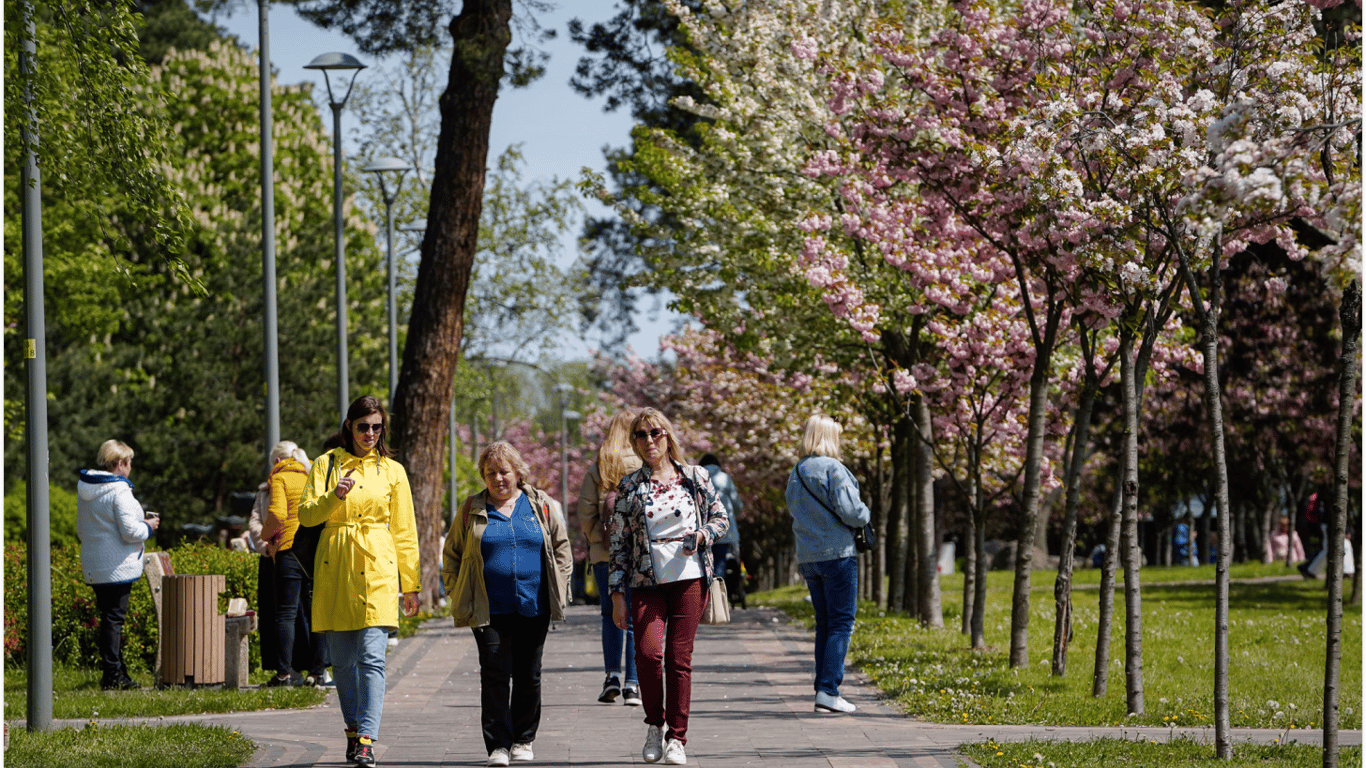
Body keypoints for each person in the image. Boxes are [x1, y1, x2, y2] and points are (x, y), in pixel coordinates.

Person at [299, 396, 421, 768]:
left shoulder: (392, 470)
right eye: (363, 426)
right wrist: (334, 497)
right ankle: (352, 729)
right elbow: (305, 516)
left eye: (376, 427)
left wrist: (410, 582)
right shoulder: (326, 463)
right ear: (349, 426)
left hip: (378, 565)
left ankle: (367, 738)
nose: (370, 433)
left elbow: (404, 530)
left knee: (372, 658)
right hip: (335, 563)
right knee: (342, 662)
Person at [608, 408, 728, 766]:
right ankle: (653, 723)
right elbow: (617, 546)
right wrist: (616, 596)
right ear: (634, 442)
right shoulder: (629, 487)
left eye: (655, 433)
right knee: (646, 655)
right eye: (641, 435)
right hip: (646, 581)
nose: (649, 441)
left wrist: (703, 535)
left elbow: (721, 519)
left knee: (679, 659)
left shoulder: (695, 478)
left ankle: (677, 738)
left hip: (689, 579)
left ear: (668, 435)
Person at [443, 441, 573, 767]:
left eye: (504, 471)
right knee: (495, 674)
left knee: (529, 674)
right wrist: (457, 591)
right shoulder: (471, 508)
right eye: (491, 473)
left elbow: (561, 547)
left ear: (517, 472)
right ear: (483, 476)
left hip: (535, 603)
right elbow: (452, 556)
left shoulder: (539, 504)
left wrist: (560, 582)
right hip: (488, 607)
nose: (498, 478)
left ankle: (524, 738)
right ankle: (498, 746)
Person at [785, 414, 871, 715]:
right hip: (838, 553)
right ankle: (829, 690)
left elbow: (792, 507)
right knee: (841, 623)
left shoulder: (796, 471)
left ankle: (823, 688)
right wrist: (866, 514)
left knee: (824, 623)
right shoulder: (834, 468)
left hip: (809, 556)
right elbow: (853, 512)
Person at [77, 439, 161, 691]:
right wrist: (148, 526)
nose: (131, 467)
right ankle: (112, 675)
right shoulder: (119, 490)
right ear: (120, 463)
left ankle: (115, 670)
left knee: (108, 618)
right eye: (130, 462)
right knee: (114, 620)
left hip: (95, 562)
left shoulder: (86, 489)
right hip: (117, 566)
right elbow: (129, 532)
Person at [577, 408, 642, 706]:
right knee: (635, 619)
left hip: (605, 555)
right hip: (638, 555)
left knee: (609, 615)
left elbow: (586, 511)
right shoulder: (645, 464)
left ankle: (611, 677)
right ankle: (633, 684)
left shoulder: (600, 466)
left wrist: (596, 541)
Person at [259, 441, 331, 687]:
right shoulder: (313, 474)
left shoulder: (280, 477)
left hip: (289, 550)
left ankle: (285, 674)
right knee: (316, 612)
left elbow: (278, 514)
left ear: (278, 461)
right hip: (314, 550)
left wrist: (266, 537)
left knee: (286, 614)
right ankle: (318, 672)